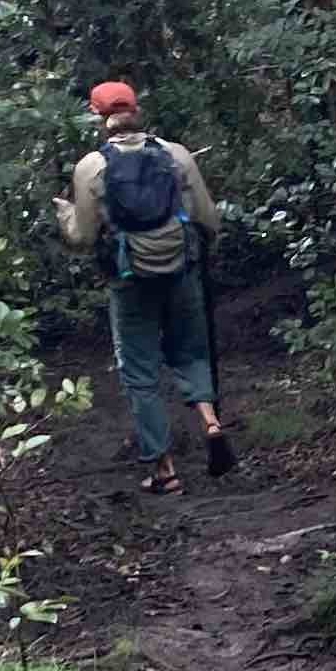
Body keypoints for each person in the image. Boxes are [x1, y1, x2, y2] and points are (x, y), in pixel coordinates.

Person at [60, 79, 234, 491]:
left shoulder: (91, 167)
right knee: (191, 350)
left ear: (98, 117)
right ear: (136, 110)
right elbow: (208, 217)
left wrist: (65, 214)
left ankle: (163, 468)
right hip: (181, 269)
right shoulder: (175, 155)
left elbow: (83, 238)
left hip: (129, 278)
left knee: (139, 369)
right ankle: (210, 423)